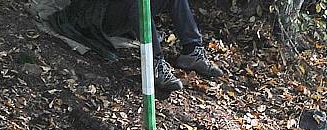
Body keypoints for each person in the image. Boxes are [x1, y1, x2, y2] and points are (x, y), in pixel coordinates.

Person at [50, 0, 223, 93]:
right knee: (139, 4)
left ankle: (192, 50)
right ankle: (155, 64)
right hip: (98, 15)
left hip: (123, 12)